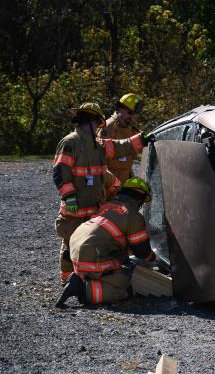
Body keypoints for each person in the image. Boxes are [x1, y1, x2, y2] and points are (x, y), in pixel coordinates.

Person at [53, 102, 153, 284]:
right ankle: (67, 279)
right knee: (69, 242)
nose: (97, 127)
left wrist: (141, 140)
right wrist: (69, 197)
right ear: (89, 121)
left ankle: (86, 277)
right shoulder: (70, 142)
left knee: (88, 242)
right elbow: (60, 171)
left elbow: (120, 146)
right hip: (75, 209)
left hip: (93, 208)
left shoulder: (97, 146)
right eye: (96, 123)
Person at [55, 177, 155, 307]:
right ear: (139, 199)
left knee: (117, 266)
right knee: (124, 286)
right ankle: (82, 289)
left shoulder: (107, 205)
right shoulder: (133, 215)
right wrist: (153, 258)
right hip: (90, 253)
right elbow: (141, 251)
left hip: (75, 244)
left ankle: (80, 277)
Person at [98, 93, 144, 183]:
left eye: (134, 114)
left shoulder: (131, 128)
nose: (132, 117)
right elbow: (98, 158)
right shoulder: (107, 128)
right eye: (130, 112)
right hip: (110, 184)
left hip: (125, 183)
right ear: (119, 109)